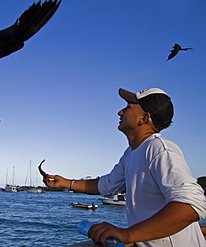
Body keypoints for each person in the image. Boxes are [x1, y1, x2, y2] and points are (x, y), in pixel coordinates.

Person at [43, 88, 206, 246]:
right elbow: (107, 185)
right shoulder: (131, 153)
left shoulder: (160, 149)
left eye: (128, 108)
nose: (120, 112)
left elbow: (191, 205)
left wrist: (127, 234)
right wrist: (65, 183)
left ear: (144, 118)